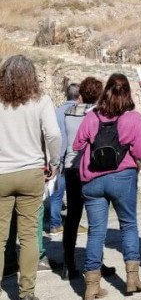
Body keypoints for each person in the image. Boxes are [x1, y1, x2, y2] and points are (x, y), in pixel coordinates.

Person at [73, 73, 141, 300]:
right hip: (122, 178)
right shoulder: (133, 118)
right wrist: (134, 168)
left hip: (93, 180)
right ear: (127, 92)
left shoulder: (92, 116)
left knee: (96, 231)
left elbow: (77, 144)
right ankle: (132, 279)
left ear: (106, 91)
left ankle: (91, 287)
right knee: (128, 224)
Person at [0, 55, 61, 300]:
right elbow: (54, 134)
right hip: (31, 172)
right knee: (28, 236)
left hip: (1, 174)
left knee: (0, 237)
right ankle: (26, 296)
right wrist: (54, 162)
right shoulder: (41, 101)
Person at [61, 77, 116, 280]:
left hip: (71, 167)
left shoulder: (68, 112)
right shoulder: (99, 114)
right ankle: (96, 264)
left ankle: (69, 265)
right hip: (92, 168)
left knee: (73, 217)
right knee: (96, 219)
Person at [49, 83, 80, 236]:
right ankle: (73, 224)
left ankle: (55, 224)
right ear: (78, 96)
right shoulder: (80, 111)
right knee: (75, 194)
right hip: (74, 158)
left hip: (59, 156)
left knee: (57, 193)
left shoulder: (56, 111)